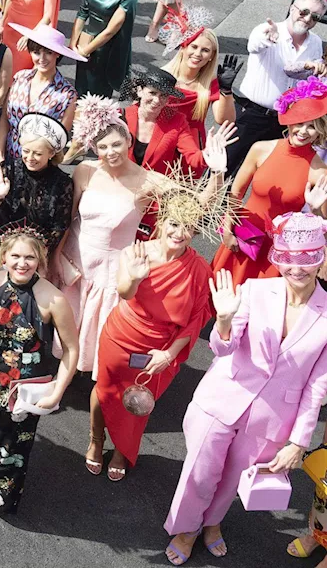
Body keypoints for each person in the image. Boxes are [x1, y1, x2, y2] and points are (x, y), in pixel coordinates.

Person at [163, 213, 328, 566]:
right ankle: (187, 528)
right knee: (200, 471)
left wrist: (299, 441)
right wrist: (223, 321)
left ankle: (213, 523)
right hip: (222, 397)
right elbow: (222, 348)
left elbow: (317, 386)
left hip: (273, 416)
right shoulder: (255, 289)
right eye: (287, 258)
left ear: (321, 257)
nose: (296, 270)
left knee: (233, 478)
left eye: (306, 260)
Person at [90, 171, 229, 483]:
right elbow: (124, 292)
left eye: (189, 228)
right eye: (175, 224)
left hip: (158, 350)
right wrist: (137, 276)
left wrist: (169, 354)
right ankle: (97, 440)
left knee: (139, 401)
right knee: (104, 392)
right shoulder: (136, 252)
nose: (180, 233)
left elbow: (195, 320)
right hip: (120, 338)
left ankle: (121, 450)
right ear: (161, 221)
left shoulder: (199, 269)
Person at [0, 227, 78, 514]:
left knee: (11, 442)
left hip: (23, 385)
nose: (22, 263)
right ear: (4, 257)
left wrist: (57, 391)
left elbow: (72, 349)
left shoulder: (53, 299)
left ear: (40, 261)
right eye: (16, 256)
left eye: (30, 258)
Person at [57, 96, 163, 374]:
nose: (111, 152)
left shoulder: (148, 181)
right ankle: (63, 371)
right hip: (76, 259)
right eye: (102, 147)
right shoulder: (85, 170)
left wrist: (218, 171)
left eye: (117, 144)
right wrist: (57, 257)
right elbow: (68, 218)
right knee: (69, 323)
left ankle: (92, 378)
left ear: (129, 141)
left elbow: (195, 202)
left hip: (111, 269)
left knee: (99, 329)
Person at [213, 79, 328, 285]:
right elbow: (236, 192)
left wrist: (316, 208)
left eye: (312, 127)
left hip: (278, 250)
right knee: (219, 295)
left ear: (320, 131)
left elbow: (323, 224)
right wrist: (228, 230)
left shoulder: (319, 170)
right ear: (290, 121)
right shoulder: (261, 148)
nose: (303, 131)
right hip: (242, 236)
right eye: (300, 122)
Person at [225, 0, 328, 175]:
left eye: (315, 17)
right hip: (251, 113)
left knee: (264, 173)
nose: (307, 19)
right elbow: (254, 46)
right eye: (303, 12)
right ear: (292, 8)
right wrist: (267, 38)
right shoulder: (268, 29)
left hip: (285, 119)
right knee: (225, 165)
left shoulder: (316, 43)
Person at [163, 29, 235, 144]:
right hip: (160, 138)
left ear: (211, 56)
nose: (197, 54)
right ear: (183, 48)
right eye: (194, 47)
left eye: (205, 50)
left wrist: (226, 90)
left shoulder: (211, 83)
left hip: (190, 143)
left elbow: (225, 120)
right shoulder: (162, 76)